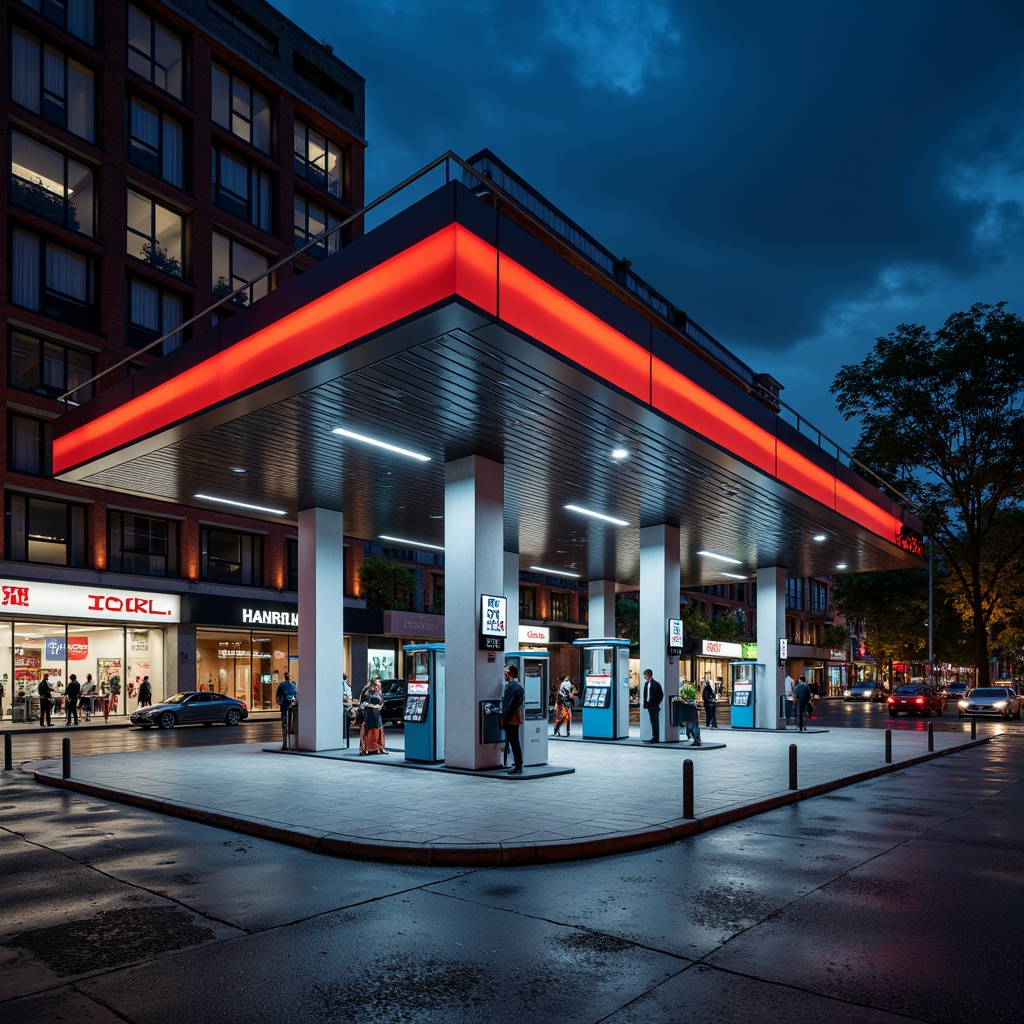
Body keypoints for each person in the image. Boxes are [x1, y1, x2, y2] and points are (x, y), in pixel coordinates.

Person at [500, 664, 525, 775]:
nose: (504, 675)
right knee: (516, 741)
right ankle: (518, 763)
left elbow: (508, 704)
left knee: (513, 741)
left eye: (505, 673)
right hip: (517, 716)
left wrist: (503, 716)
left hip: (511, 718)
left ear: (511, 674)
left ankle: (518, 765)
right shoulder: (519, 687)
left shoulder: (510, 686)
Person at [359, 676, 387, 755]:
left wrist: (379, 706)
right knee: (368, 730)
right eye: (378, 685)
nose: (379, 687)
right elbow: (362, 704)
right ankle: (367, 749)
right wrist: (374, 706)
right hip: (369, 713)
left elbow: (381, 702)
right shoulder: (367, 691)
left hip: (376, 713)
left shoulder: (378, 692)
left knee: (379, 729)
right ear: (373, 685)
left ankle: (380, 748)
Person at [276, 672, 297, 749]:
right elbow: (295, 694)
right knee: (290, 724)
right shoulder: (293, 685)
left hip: (285, 706)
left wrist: (281, 703)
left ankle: (286, 743)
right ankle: (289, 742)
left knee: (285, 724)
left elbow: (278, 697)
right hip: (290, 706)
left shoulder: (282, 686)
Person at [642, 669, 663, 743]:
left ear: (648, 675)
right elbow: (645, 695)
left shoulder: (656, 684)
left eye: (645, 675)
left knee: (655, 721)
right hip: (649, 705)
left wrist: (656, 704)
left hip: (654, 706)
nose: (644, 677)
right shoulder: (646, 684)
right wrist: (645, 703)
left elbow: (660, 695)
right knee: (652, 721)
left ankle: (656, 737)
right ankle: (654, 736)